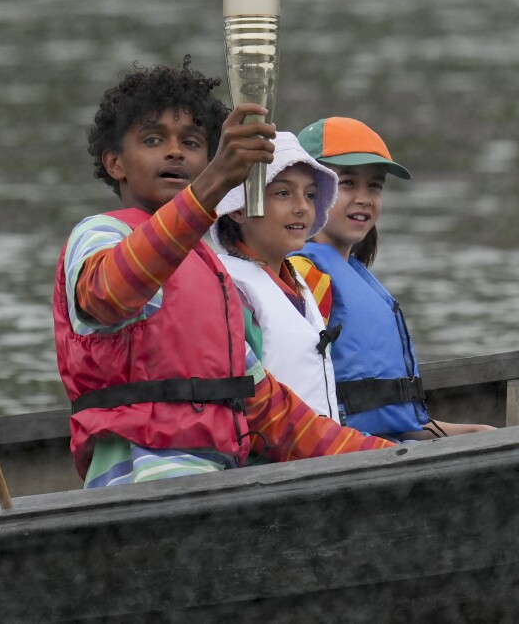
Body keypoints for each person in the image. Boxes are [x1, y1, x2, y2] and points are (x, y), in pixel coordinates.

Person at [54, 61, 395, 488]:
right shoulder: (101, 233)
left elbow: (273, 413)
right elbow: (107, 295)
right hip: (140, 489)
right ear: (115, 163)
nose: (176, 151)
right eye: (153, 139)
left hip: (217, 484)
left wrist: (393, 456)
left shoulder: (213, 274)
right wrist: (215, 181)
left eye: (193, 143)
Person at [292, 116, 495, 441]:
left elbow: (393, 420)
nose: (364, 197)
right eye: (347, 183)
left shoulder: (352, 273)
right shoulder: (306, 274)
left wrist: (467, 432)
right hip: (337, 453)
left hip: (377, 444)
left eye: (375, 185)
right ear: (306, 192)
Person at [211, 132, 343, 421]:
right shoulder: (230, 291)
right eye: (283, 193)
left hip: (321, 451)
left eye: (310, 194)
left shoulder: (301, 284)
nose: (302, 207)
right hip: (276, 460)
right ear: (239, 208)